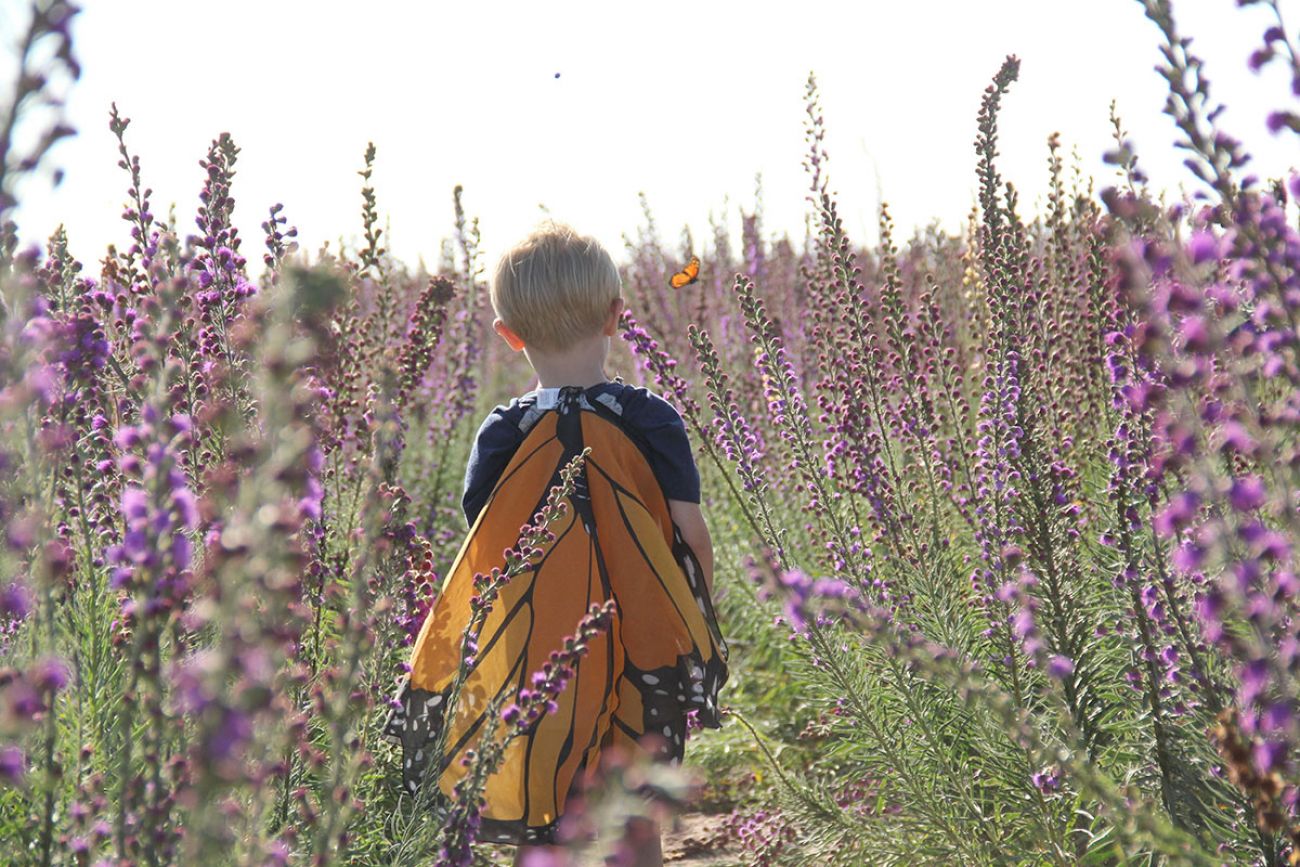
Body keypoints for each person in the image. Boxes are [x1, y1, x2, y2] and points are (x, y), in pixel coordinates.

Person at [384, 222, 728, 867]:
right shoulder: (651, 417)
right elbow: (690, 532)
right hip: (638, 633)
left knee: (536, 793)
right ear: (616, 319)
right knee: (633, 799)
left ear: (508, 335)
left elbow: (485, 545)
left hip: (535, 643)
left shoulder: (504, 431)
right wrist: (697, 609)